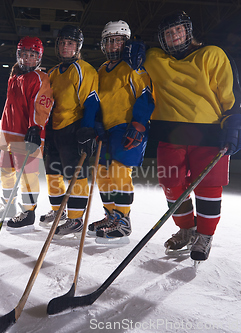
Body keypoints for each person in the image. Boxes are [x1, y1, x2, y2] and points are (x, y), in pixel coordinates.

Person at [141, 11, 241, 260]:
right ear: (162, 39)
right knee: (171, 185)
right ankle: (187, 229)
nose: (174, 36)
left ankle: (205, 235)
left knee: (208, 188)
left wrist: (236, 122)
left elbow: (229, 92)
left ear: (188, 31)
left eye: (178, 30)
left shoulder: (212, 54)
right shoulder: (154, 58)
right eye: (168, 34)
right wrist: (133, 48)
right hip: (170, 134)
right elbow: (135, 62)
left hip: (210, 134)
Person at [87, 20, 154, 243]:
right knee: (103, 174)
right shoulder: (101, 70)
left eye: (119, 40)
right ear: (103, 44)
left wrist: (139, 123)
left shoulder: (133, 67)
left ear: (126, 43)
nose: (114, 45)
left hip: (126, 129)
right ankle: (111, 215)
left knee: (119, 174)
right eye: (110, 41)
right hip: (106, 131)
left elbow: (145, 95)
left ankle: (123, 220)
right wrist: (96, 124)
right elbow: (96, 100)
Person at [41, 25, 100, 237]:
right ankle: (59, 212)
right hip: (55, 130)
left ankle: (75, 219)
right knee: (52, 173)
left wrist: (87, 129)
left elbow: (91, 101)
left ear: (78, 47)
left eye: (71, 43)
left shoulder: (84, 69)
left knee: (76, 175)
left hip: (73, 128)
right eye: (63, 43)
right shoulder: (53, 72)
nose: (66, 47)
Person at [0, 36, 54, 232]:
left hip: (27, 135)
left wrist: (35, 127)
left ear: (39, 58)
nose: (27, 59)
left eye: (32, 55)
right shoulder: (15, 77)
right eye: (24, 55)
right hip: (9, 133)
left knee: (28, 174)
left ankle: (28, 212)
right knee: (5, 171)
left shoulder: (39, 78)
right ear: (18, 56)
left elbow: (42, 104)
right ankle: (8, 205)